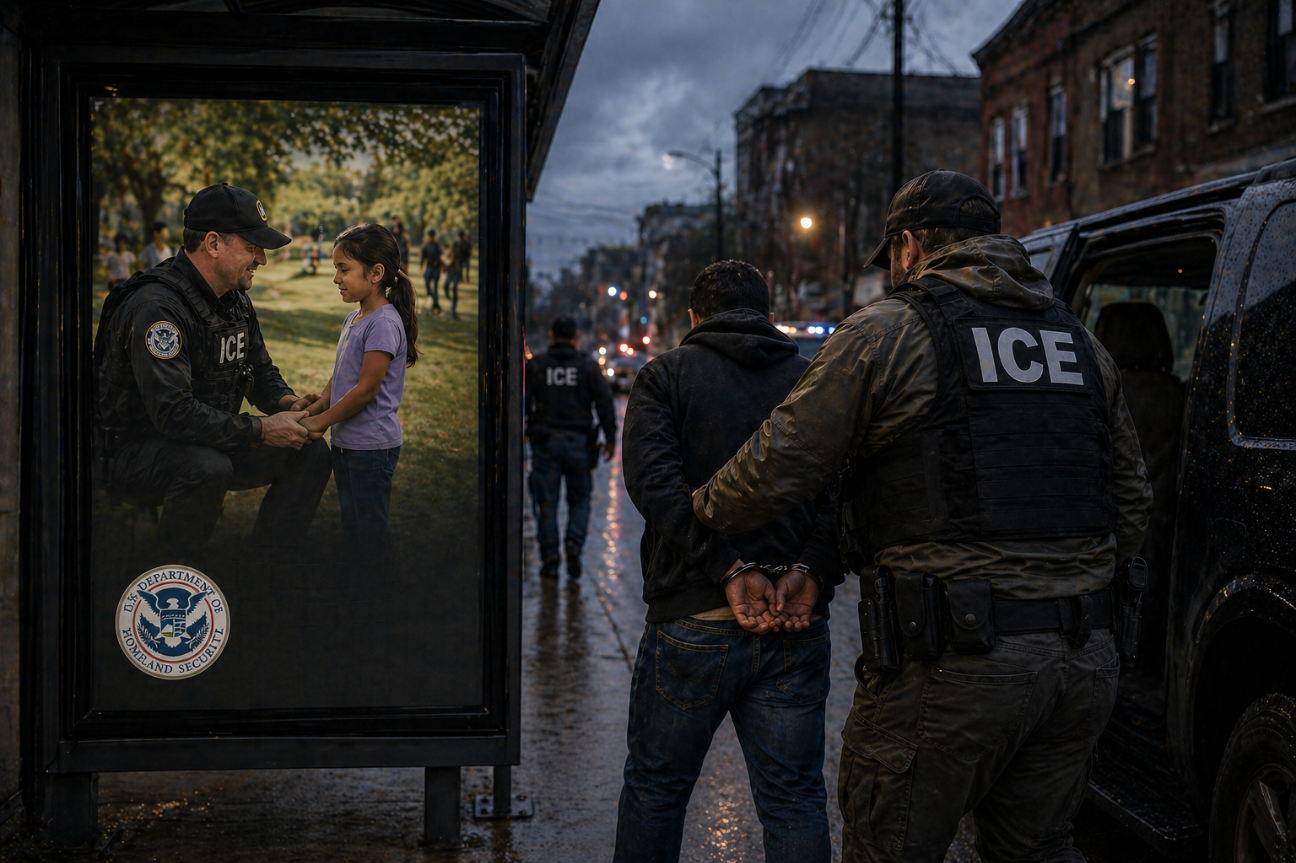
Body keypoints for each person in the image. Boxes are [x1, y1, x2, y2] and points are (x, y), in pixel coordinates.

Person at [690, 171, 1153, 863]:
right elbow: (1133, 505)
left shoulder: (890, 330)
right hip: (1082, 660)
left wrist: (695, 510)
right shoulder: (1082, 344)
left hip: (953, 661)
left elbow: (777, 465)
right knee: (1039, 847)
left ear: (908, 246)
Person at [614, 260, 844, 863]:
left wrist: (727, 569)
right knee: (794, 797)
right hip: (794, 620)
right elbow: (844, 491)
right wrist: (809, 570)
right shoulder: (811, 379)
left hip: (694, 617)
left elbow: (654, 486)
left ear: (693, 318)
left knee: (657, 791)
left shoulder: (665, 377)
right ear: (769, 318)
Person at [94, 183, 332, 561]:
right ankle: (174, 585)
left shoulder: (235, 299)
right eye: (252, 247)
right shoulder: (157, 308)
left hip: (206, 441)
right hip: (132, 452)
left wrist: (289, 403)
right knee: (207, 467)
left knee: (311, 451)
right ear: (213, 243)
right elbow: (173, 414)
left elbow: (259, 369)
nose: (262, 260)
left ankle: (267, 569)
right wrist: (262, 429)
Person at [300, 224, 419, 546]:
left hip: (372, 448)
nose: (336, 278)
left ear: (375, 273)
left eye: (343, 269)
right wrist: (314, 408)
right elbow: (342, 375)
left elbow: (366, 390)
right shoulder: (354, 318)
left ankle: (374, 588)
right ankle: (356, 581)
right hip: (348, 444)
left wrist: (320, 422)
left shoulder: (382, 323)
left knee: (369, 532)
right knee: (353, 528)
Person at [525, 315, 616, 578]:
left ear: (552, 336)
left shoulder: (538, 365)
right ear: (576, 337)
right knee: (579, 500)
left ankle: (550, 558)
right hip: (579, 444)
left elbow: (523, 401)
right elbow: (604, 402)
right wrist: (610, 437)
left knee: (546, 503)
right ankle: (573, 543)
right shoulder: (586, 366)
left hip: (545, 442)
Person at [420, 229, 443, 314]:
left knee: (435, 287)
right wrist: (421, 266)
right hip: (429, 267)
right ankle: (435, 302)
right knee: (427, 285)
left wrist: (438, 262)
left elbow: (441, 257)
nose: (431, 238)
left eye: (432, 236)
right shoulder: (426, 245)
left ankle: (435, 304)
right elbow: (423, 257)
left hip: (436, 269)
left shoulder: (437, 246)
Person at [442, 250, 462, 320]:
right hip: (450, 274)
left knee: (454, 289)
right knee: (446, 286)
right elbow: (445, 268)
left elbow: (455, 267)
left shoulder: (455, 259)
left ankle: (453, 307)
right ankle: (448, 297)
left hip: (455, 274)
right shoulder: (447, 257)